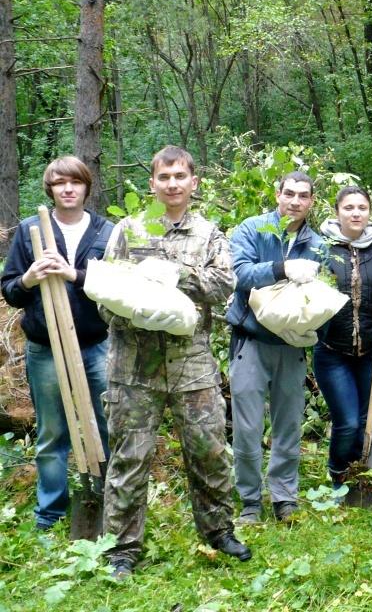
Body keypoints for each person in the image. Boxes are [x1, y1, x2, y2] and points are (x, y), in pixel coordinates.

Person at [103, 146, 250, 578]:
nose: (172, 184)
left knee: (208, 451)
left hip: (192, 364)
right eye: (164, 177)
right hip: (134, 365)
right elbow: (104, 293)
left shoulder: (209, 233)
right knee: (130, 458)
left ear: (193, 182)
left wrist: (169, 271)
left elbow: (223, 283)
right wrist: (132, 307)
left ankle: (219, 531)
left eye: (180, 176)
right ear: (152, 183)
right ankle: (123, 548)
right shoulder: (128, 230)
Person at [1, 156, 113, 531]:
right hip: (45, 348)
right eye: (60, 183)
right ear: (50, 189)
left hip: (96, 346)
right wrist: (29, 278)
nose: (68, 189)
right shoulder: (31, 229)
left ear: (86, 187)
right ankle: (50, 513)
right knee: (52, 433)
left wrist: (75, 275)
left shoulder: (106, 232)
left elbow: (118, 289)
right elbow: (10, 291)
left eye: (75, 182)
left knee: (105, 426)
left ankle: (109, 503)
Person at [226, 171, 323, 524]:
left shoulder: (317, 242)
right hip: (250, 341)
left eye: (303, 196)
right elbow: (240, 274)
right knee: (248, 426)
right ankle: (250, 500)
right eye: (290, 194)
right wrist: (283, 268)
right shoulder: (252, 229)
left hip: (291, 344)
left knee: (288, 424)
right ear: (277, 193)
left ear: (311, 201)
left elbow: (322, 289)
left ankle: (284, 497)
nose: (295, 201)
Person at [314, 185, 372, 489]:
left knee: (364, 422)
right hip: (332, 350)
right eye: (349, 207)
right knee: (346, 422)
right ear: (337, 212)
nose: (356, 213)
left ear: (369, 212)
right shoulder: (321, 248)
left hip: (370, 350)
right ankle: (336, 474)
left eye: (362, 207)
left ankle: (358, 475)